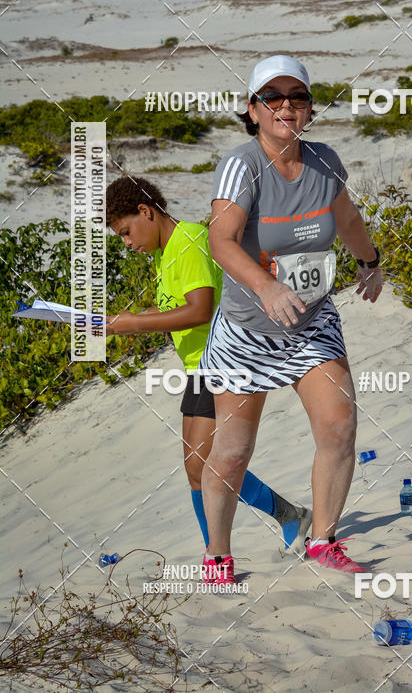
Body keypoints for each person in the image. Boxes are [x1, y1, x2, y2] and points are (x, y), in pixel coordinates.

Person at [199, 54, 383, 585]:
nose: (286, 106)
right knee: (233, 451)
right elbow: (220, 240)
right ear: (253, 109)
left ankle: (322, 541)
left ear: (309, 108)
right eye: (273, 97)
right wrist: (265, 285)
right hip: (247, 332)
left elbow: (347, 219)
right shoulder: (242, 165)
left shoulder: (325, 161)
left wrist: (370, 262)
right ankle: (217, 556)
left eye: (297, 97)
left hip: (311, 322)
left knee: (339, 426)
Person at [104, 175, 312, 558]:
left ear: (145, 211)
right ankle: (284, 519)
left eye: (125, 233)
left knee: (209, 465)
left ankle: (218, 556)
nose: (127, 244)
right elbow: (177, 306)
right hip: (200, 367)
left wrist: (134, 324)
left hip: (224, 359)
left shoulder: (189, 241)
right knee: (198, 469)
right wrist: (127, 319)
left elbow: (200, 310)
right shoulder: (166, 253)